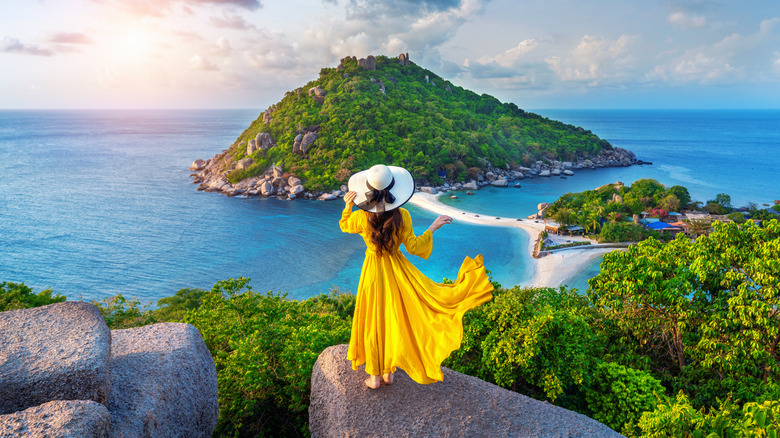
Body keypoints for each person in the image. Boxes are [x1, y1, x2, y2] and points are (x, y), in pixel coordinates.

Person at [339, 164, 494, 389]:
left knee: (375, 319)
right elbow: (413, 247)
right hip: (397, 272)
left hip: (372, 272)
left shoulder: (362, 217)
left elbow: (344, 225)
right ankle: (389, 372)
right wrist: (432, 227)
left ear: (368, 190)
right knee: (394, 317)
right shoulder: (402, 215)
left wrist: (347, 206)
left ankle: (375, 376)